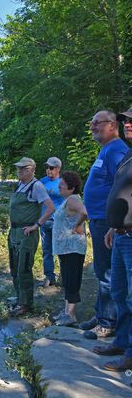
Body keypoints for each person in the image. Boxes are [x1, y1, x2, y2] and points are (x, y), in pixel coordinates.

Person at [80, 110, 129, 339]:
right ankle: (101, 314)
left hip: (108, 222)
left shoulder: (117, 150)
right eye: (91, 123)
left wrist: (113, 222)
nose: (92, 127)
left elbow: (121, 187)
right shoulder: (106, 150)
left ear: (111, 125)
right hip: (99, 220)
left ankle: (108, 322)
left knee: (108, 272)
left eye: (97, 123)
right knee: (101, 270)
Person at [92, 108, 132, 372]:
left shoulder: (119, 150)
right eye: (127, 119)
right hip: (119, 233)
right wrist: (113, 226)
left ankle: (130, 354)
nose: (127, 123)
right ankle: (122, 341)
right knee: (119, 292)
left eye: (131, 120)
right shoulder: (128, 154)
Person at [8, 157, 55, 316]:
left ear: (31, 170)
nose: (19, 171)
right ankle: (19, 298)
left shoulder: (37, 186)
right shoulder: (20, 185)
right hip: (14, 232)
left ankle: (26, 304)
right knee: (14, 268)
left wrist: (37, 225)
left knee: (24, 268)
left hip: (27, 234)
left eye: (22, 168)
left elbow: (50, 208)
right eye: (18, 168)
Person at [52, 171, 87, 326]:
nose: (59, 186)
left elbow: (84, 212)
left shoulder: (72, 199)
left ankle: (71, 315)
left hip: (73, 247)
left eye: (62, 184)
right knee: (67, 280)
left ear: (71, 188)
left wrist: (78, 225)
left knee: (72, 280)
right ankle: (66, 312)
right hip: (65, 248)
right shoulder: (67, 200)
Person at [39, 157, 64, 287]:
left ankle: (64, 276)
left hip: (59, 222)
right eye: (47, 167)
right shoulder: (42, 182)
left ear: (58, 169)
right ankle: (49, 276)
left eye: (51, 168)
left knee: (61, 249)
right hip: (44, 221)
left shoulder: (63, 182)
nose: (48, 170)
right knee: (46, 250)